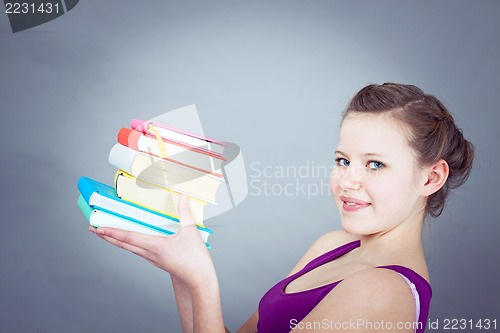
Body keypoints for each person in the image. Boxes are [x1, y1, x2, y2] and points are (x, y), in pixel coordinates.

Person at [89, 83, 474, 333]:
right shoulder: (332, 245)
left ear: (430, 178)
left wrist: (204, 280)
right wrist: (184, 269)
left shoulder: (382, 291)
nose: (347, 181)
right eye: (342, 160)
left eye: (375, 164)